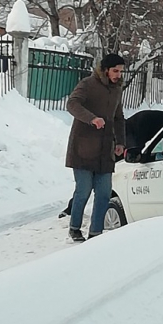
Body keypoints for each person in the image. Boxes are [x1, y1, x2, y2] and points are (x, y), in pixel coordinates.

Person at [58, 104, 163, 219]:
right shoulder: (151, 120)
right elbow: (137, 141)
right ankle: (71, 208)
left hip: (127, 139)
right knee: (97, 173)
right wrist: (135, 154)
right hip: (122, 140)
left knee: (101, 174)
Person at [64, 53, 126, 242]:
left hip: (105, 150)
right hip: (83, 148)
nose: (118, 75)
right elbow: (72, 104)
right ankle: (74, 228)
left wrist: (121, 142)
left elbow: (118, 118)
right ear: (105, 70)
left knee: (104, 193)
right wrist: (91, 118)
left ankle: (95, 233)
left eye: (121, 71)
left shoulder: (116, 90)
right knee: (83, 190)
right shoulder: (88, 84)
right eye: (115, 71)